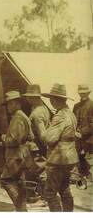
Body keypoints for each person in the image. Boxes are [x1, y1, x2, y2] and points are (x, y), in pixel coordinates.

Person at [41, 83, 79, 212]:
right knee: (64, 189)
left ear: (56, 100)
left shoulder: (60, 116)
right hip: (69, 158)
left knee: (50, 193)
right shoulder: (70, 114)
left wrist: (44, 131)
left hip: (58, 159)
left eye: (52, 99)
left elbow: (49, 139)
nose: (51, 101)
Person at [0, 91, 34, 212]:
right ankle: (22, 207)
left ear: (15, 103)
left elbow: (14, 141)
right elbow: (29, 136)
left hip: (16, 156)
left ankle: (20, 208)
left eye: (9, 105)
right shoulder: (21, 116)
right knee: (20, 181)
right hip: (21, 155)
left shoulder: (18, 118)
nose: (8, 108)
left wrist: (4, 139)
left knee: (5, 180)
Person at [22, 84, 51, 158]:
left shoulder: (37, 113)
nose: (27, 99)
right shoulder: (43, 108)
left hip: (39, 146)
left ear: (33, 98)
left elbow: (42, 134)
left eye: (28, 97)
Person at [73, 84, 93, 158]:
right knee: (78, 162)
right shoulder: (76, 106)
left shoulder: (92, 105)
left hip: (89, 140)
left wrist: (82, 133)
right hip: (77, 140)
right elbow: (74, 121)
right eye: (81, 93)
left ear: (88, 93)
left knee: (89, 164)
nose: (82, 94)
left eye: (84, 93)